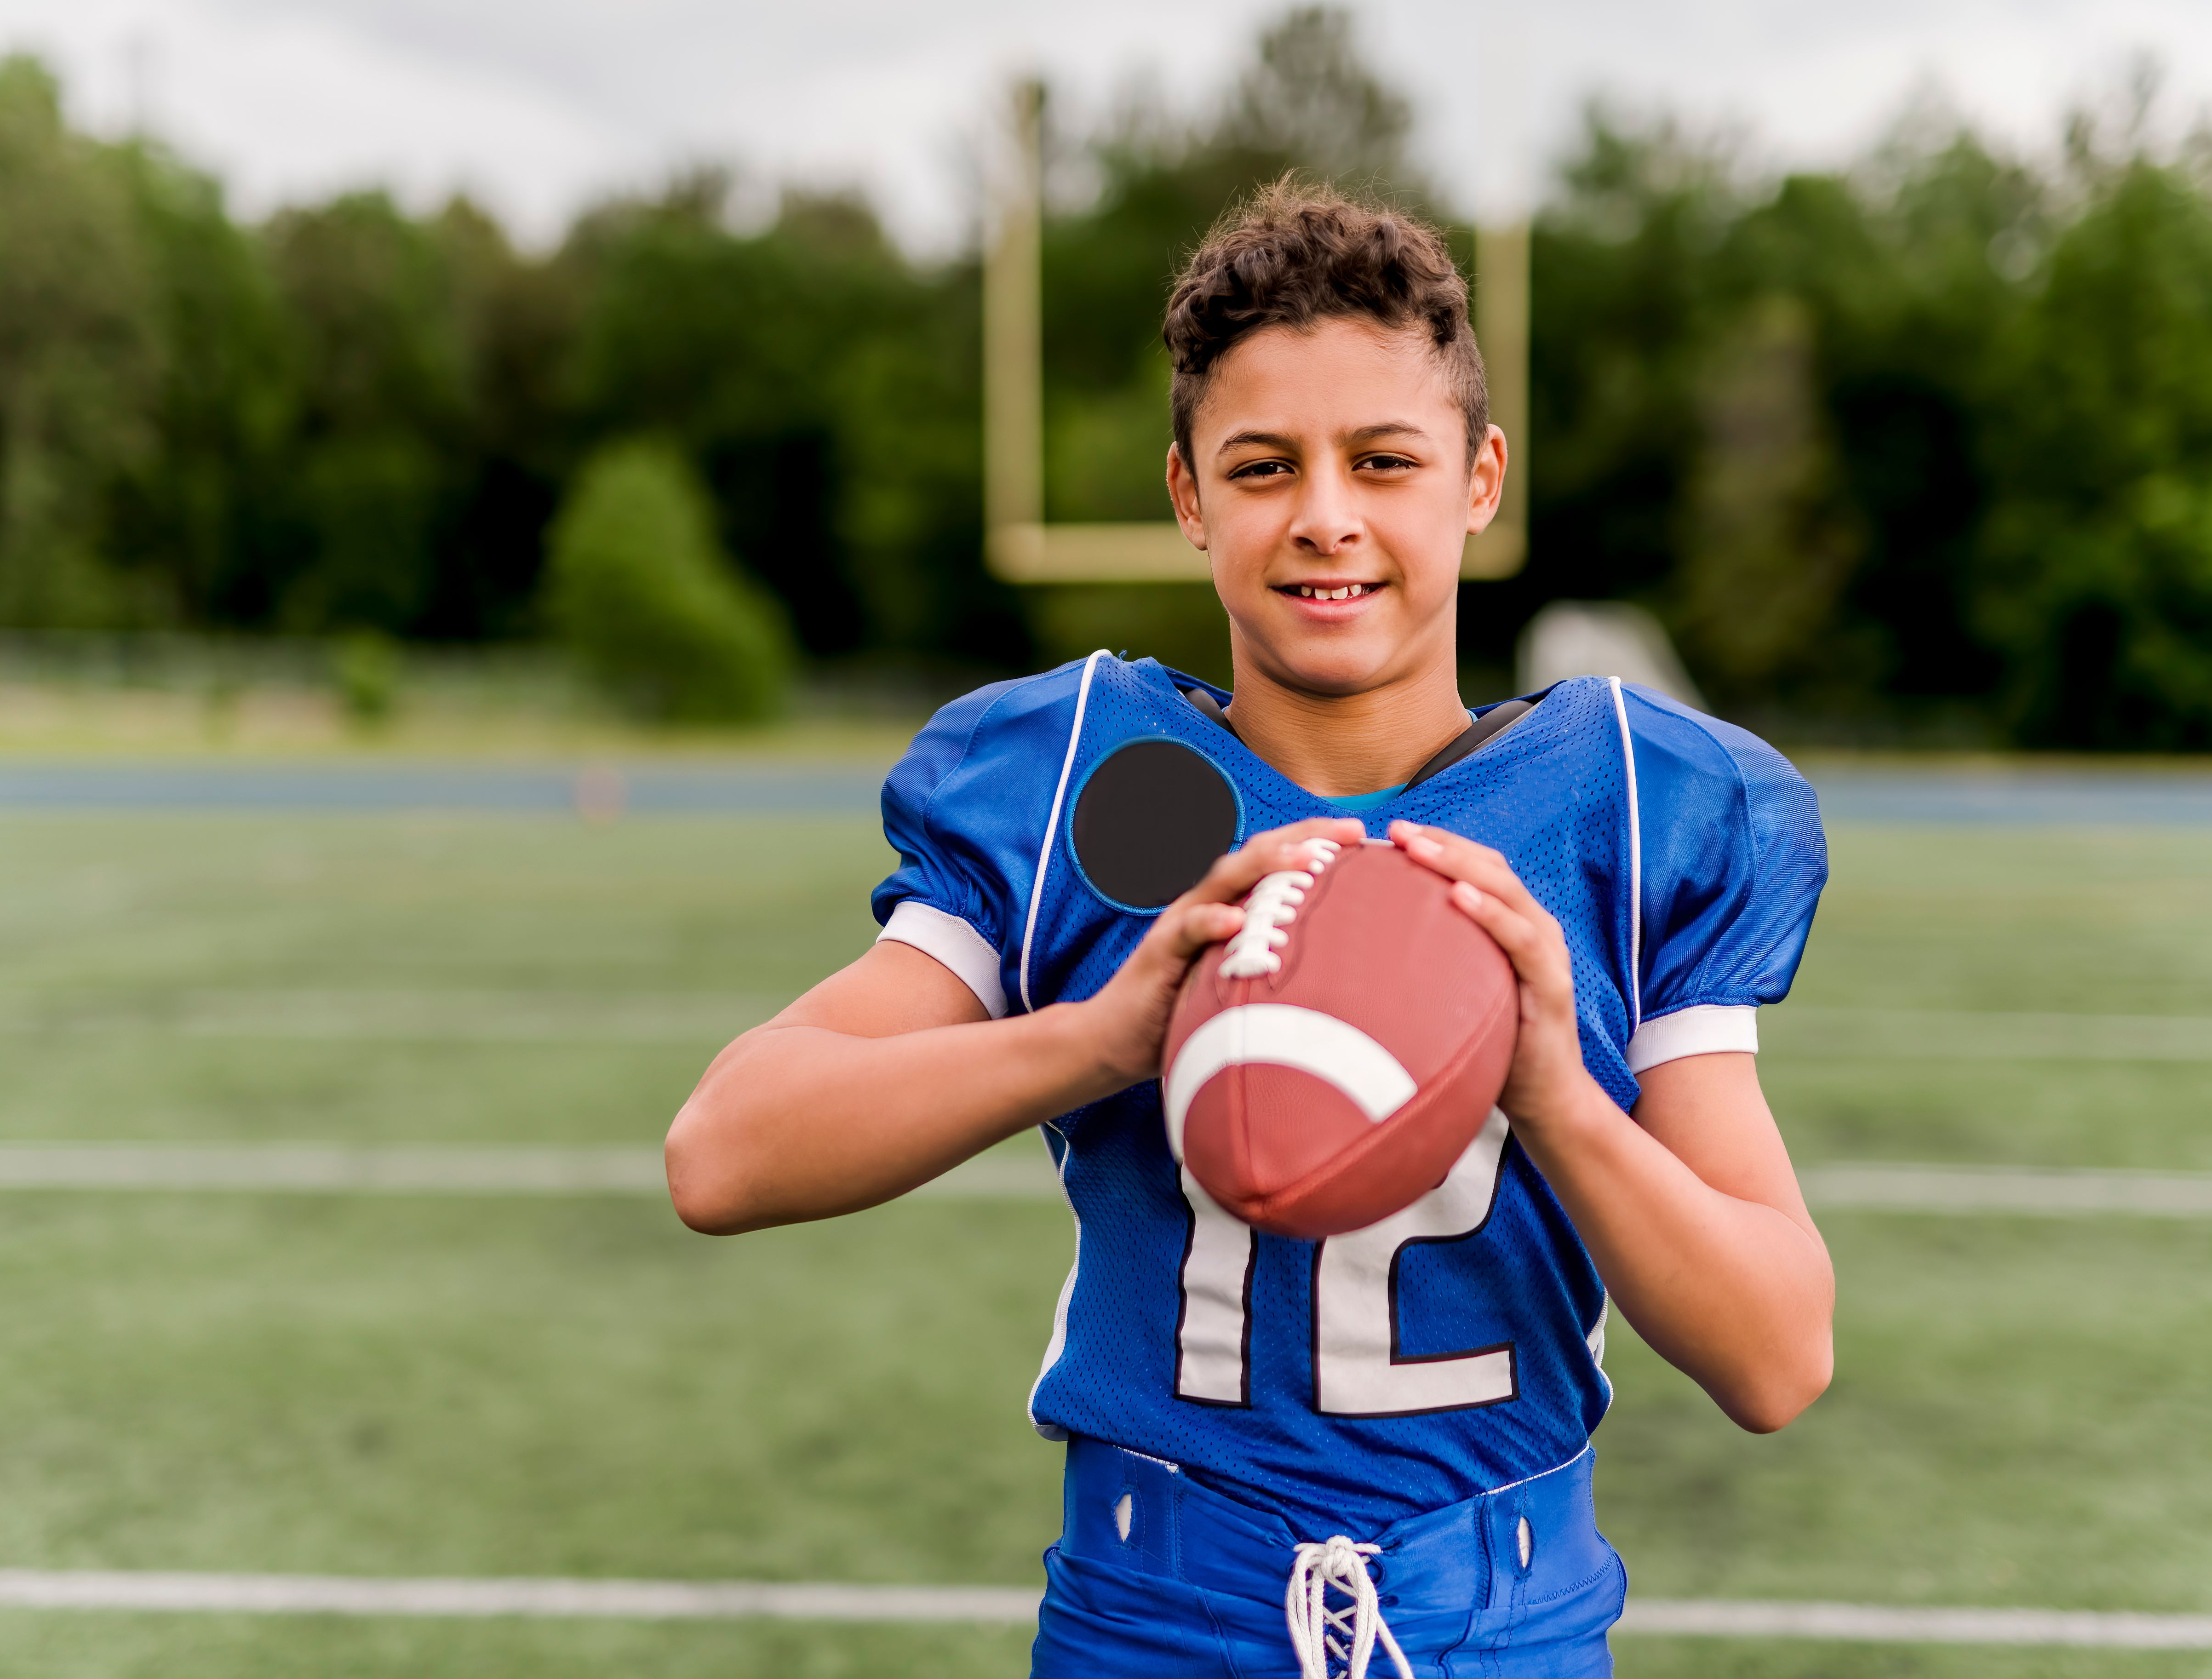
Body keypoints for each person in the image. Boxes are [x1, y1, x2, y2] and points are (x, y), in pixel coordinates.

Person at [666, 180, 1834, 1679]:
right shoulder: (1100, 781)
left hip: (1500, 1625)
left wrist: (1547, 1087)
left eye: (1384, 460)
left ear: (1480, 479)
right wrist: (1100, 1035)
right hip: (1152, 1617)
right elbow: (723, 1151)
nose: (1326, 515)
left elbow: (1777, 1354)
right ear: (1188, 494)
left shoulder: (1623, 801)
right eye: (1265, 465)